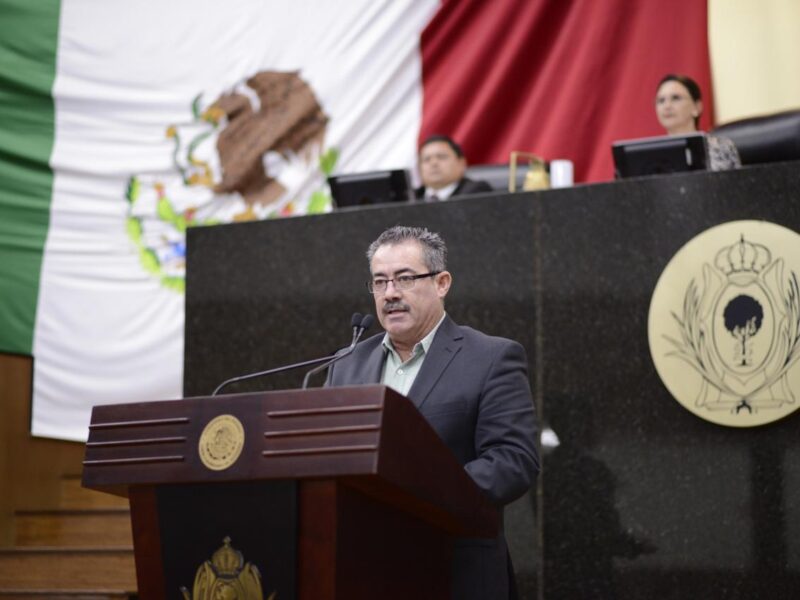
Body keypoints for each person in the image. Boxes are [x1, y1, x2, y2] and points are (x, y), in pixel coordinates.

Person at [326, 225, 540, 599]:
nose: (390, 293)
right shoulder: (346, 364)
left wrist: (416, 494)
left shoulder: (491, 358)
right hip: (362, 572)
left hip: (454, 571)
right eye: (380, 282)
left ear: (442, 283)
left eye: (405, 279)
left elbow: (513, 461)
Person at [655, 74, 741, 171]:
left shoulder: (721, 148)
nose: (667, 106)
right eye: (661, 100)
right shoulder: (654, 155)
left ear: (697, 107)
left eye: (676, 98)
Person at [415, 135, 493, 200]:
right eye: (426, 159)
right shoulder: (413, 197)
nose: (433, 163)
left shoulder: (477, 192)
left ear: (461, 163)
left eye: (441, 157)